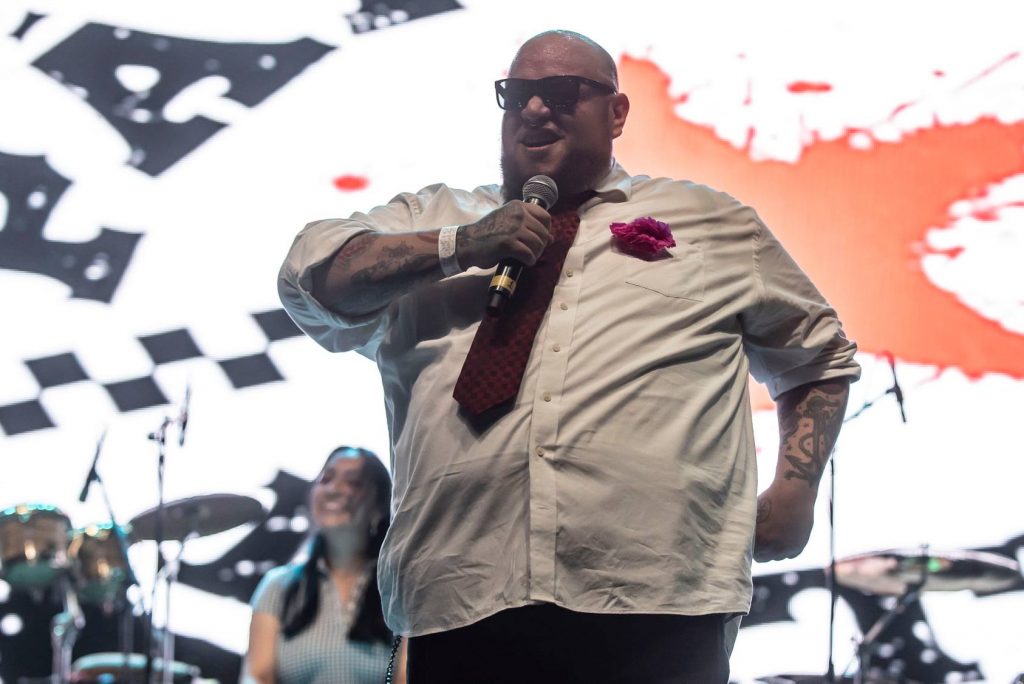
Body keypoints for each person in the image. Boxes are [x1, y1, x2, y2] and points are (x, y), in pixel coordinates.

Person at [278, 29, 860, 683]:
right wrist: (459, 245)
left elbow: (819, 358)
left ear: (617, 112)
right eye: (518, 94)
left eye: (560, 93)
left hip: (657, 596)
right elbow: (310, 276)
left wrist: (795, 491)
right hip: (460, 593)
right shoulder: (437, 216)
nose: (534, 109)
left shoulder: (710, 223)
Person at [242, 446, 405, 684]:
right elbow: (257, 675)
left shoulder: (398, 589)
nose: (333, 490)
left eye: (353, 482)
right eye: (325, 479)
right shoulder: (278, 586)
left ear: (379, 505)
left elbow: (406, 676)